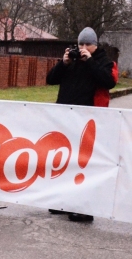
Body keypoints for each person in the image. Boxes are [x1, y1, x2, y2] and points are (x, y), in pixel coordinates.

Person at [46, 27, 117, 223]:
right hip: (66, 117)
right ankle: (62, 201)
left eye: (87, 44)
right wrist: (64, 63)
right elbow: (50, 79)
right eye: (80, 44)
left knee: (84, 164)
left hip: (90, 120)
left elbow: (109, 81)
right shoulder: (72, 61)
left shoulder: (104, 61)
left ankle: (84, 207)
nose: (83, 48)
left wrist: (90, 61)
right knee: (64, 160)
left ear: (95, 45)